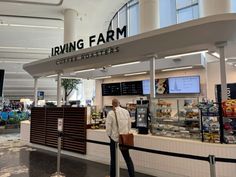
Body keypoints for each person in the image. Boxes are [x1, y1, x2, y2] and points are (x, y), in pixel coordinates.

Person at [106, 98, 135, 177]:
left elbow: (108, 128)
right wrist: (125, 133)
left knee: (113, 159)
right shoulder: (126, 112)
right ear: (119, 103)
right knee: (127, 158)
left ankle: (113, 175)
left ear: (112, 104)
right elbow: (129, 126)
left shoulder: (111, 113)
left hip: (114, 139)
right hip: (124, 138)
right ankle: (132, 176)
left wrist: (110, 136)